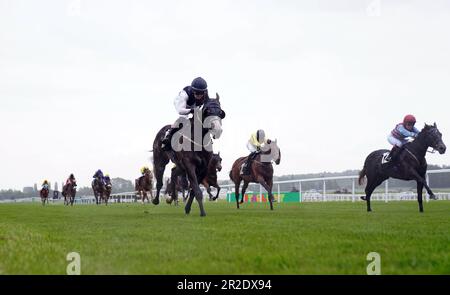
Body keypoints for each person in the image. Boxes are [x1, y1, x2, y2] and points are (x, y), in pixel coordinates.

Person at [161, 77, 209, 151]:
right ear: (193, 91)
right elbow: (180, 111)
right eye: (196, 92)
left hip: (194, 105)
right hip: (182, 105)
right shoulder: (184, 94)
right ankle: (168, 136)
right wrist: (191, 110)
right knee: (183, 118)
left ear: (204, 92)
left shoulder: (205, 95)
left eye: (201, 93)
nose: (198, 95)